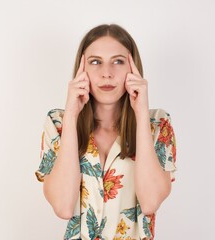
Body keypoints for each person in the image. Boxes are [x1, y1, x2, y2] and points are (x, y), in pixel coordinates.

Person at [35, 24, 177, 240]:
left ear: (133, 68)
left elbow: (150, 202)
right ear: (81, 69)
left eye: (118, 61)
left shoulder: (157, 124)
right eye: (95, 62)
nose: (107, 74)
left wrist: (140, 113)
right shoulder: (59, 123)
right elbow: (63, 207)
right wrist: (72, 114)